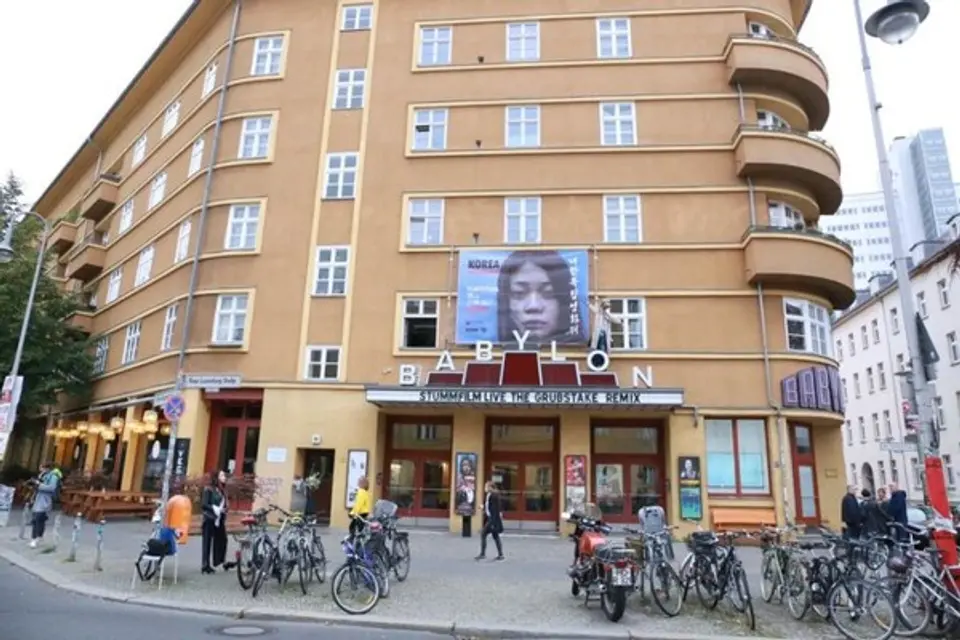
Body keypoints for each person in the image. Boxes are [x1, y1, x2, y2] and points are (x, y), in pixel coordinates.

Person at [495, 250, 582, 344]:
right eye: (519, 293)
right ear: (505, 302)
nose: (533, 306)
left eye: (548, 293)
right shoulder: (493, 351)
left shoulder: (584, 351)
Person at [200, 470, 229, 574]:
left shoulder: (221, 490)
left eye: (224, 475)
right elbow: (204, 504)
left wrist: (225, 509)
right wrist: (216, 508)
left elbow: (224, 503)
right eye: (222, 475)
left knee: (223, 539)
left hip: (219, 519)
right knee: (207, 542)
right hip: (210, 518)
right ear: (216, 477)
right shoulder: (208, 489)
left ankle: (220, 561)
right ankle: (205, 565)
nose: (224, 477)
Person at [28, 463, 60, 548]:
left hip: (45, 500)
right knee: (38, 519)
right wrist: (33, 485)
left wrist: (39, 484)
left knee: (38, 518)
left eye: (42, 468)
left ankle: (34, 539)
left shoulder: (53, 477)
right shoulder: (41, 475)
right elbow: (37, 487)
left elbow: (51, 488)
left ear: (48, 468)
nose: (41, 469)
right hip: (37, 499)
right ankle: (39, 536)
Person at [475, 481, 504, 561]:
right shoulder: (489, 495)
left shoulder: (494, 496)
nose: (485, 488)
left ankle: (483, 554)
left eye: (486, 487)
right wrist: (483, 507)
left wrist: (493, 522)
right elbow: (489, 506)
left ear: (490, 487)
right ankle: (500, 554)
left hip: (492, 519)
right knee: (495, 536)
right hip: (490, 518)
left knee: (483, 533)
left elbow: (495, 509)